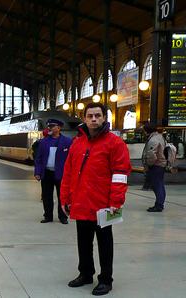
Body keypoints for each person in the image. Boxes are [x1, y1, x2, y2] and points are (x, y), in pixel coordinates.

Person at [60, 103, 131, 296]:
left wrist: (116, 203)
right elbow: (68, 173)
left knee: (105, 244)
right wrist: (65, 198)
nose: (93, 119)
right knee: (83, 242)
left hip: (104, 206)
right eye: (90, 116)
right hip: (81, 204)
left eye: (97, 115)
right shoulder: (78, 143)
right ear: (84, 118)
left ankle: (106, 279)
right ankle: (85, 273)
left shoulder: (115, 144)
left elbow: (120, 174)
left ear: (104, 118)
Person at [34, 119, 72, 224]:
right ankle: (48, 216)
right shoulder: (43, 142)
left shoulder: (68, 141)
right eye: (48, 126)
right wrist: (37, 172)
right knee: (47, 196)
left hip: (62, 173)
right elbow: (39, 158)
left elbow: (72, 159)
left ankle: (63, 216)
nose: (49, 128)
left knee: (62, 196)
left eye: (52, 126)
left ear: (59, 128)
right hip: (47, 173)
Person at [141, 123, 167, 212]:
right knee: (159, 184)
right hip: (161, 164)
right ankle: (160, 203)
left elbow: (152, 154)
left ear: (147, 130)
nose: (143, 132)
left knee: (157, 185)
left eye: (144, 130)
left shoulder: (153, 139)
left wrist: (149, 165)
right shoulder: (159, 137)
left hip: (156, 165)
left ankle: (159, 205)